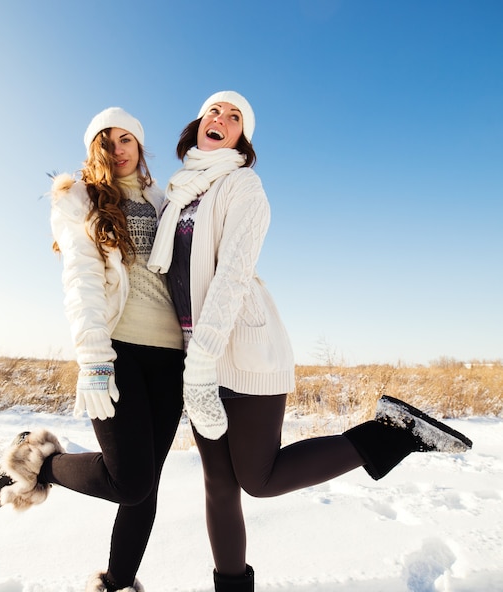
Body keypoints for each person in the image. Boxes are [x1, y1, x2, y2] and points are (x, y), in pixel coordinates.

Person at [147, 90, 473, 592]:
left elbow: (233, 276)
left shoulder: (243, 186)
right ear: (197, 123)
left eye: (235, 117)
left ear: (241, 138)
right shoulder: (175, 195)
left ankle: (391, 433)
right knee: (217, 483)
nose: (222, 118)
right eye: (215, 110)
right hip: (196, 358)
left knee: (259, 480)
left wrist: (204, 361)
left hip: (243, 351)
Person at [0, 107, 184, 592]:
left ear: (140, 146)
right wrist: (95, 357)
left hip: (172, 356)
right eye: (106, 142)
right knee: (131, 482)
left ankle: (116, 583)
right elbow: (82, 279)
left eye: (126, 140)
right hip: (118, 350)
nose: (118, 150)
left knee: (146, 486)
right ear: (95, 150)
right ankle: (37, 460)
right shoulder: (83, 200)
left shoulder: (168, 200)